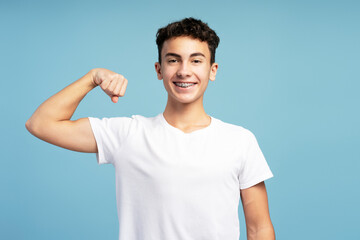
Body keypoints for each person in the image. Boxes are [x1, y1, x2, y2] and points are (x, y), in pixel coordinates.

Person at [26, 17, 275, 240]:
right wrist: (92, 77)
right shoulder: (128, 134)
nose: (184, 71)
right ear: (159, 70)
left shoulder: (240, 141)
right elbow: (40, 124)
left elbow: (259, 228)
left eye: (196, 60)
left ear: (212, 70)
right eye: (173, 60)